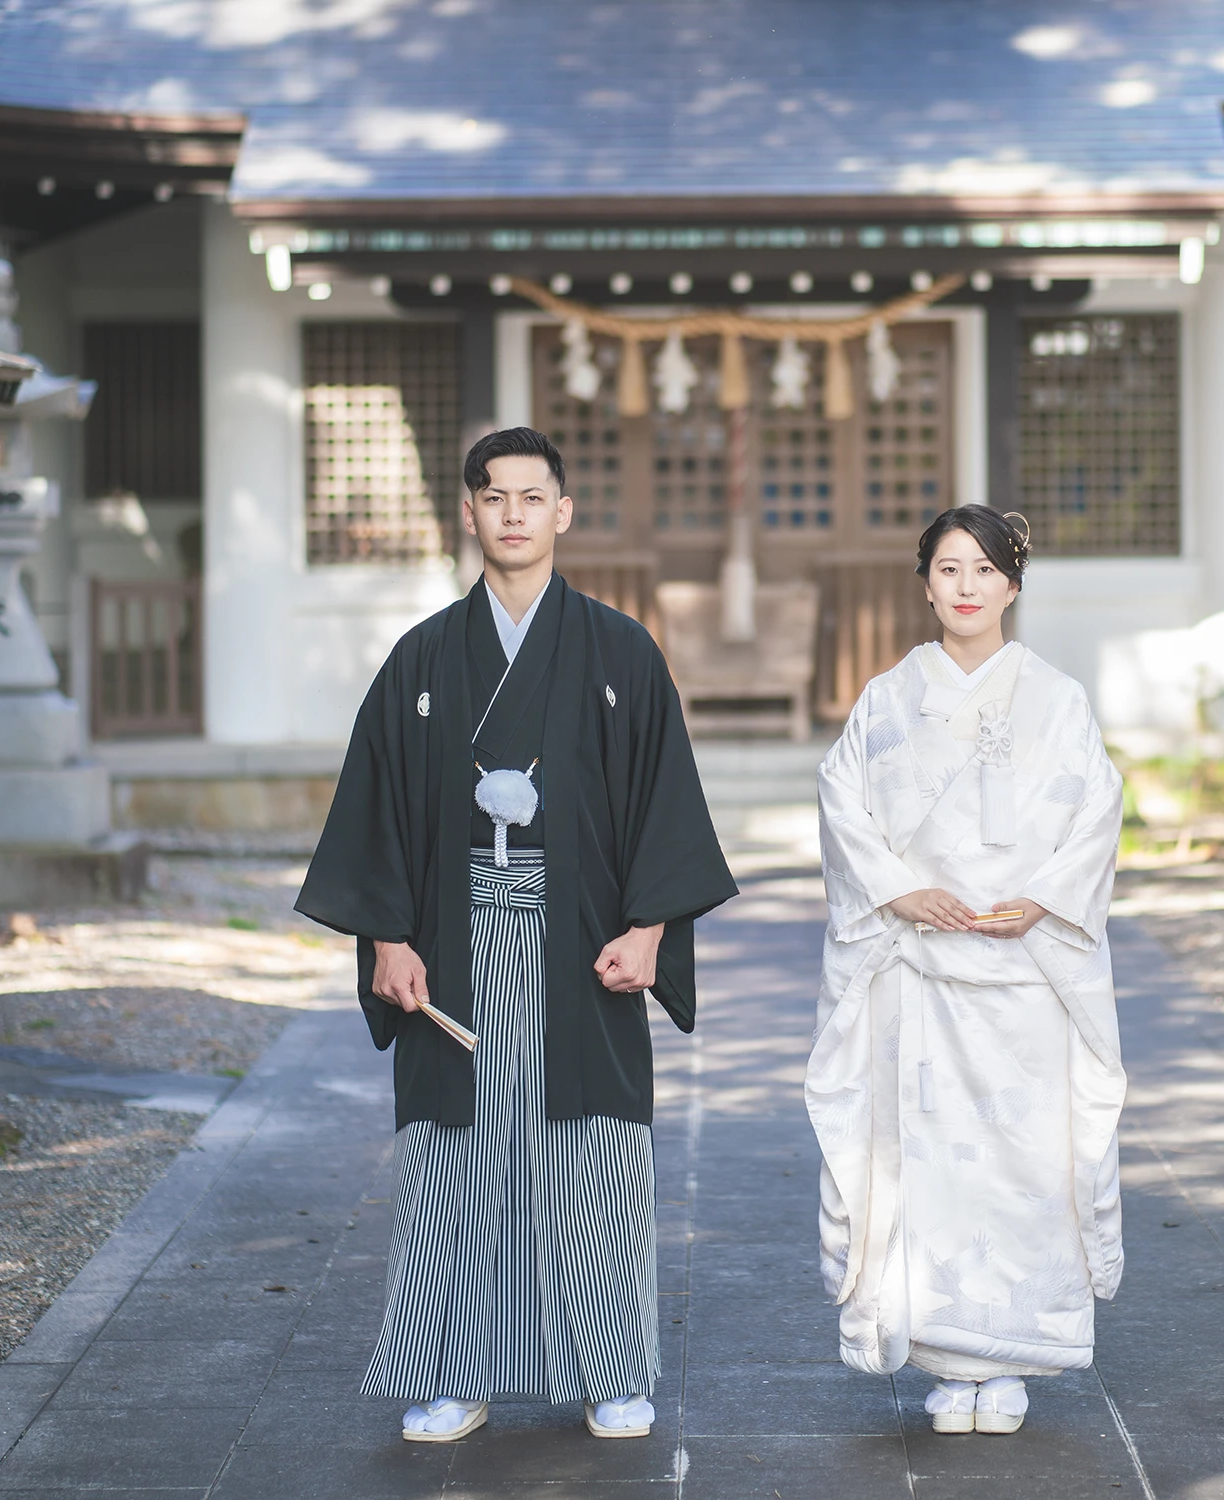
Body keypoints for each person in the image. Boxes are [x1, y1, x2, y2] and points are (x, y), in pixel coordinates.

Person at [297, 426, 736, 1444]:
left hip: (584, 948)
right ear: (467, 511)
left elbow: (665, 804)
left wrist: (651, 929)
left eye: (532, 497)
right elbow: (378, 810)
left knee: (591, 1160)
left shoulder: (620, 651)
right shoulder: (423, 657)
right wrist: (384, 940)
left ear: (563, 512)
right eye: (493, 496)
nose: (512, 513)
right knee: (455, 1160)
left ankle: (612, 1373)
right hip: (452, 949)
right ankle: (455, 1374)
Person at [805, 506, 1125, 1436]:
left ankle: (1016, 1355)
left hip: (1024, 964)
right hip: (919, 964)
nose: (968, 586)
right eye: (949, 569)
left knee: (1025, 1158)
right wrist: (899, 889)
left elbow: (1096, 811)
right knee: (930, 1164)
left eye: (985, 570)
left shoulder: (1058, 700)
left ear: (1013, 586)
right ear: (928, 584)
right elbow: (842, 802)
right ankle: (948, 1356)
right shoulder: (887, 699)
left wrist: (1049, 897)